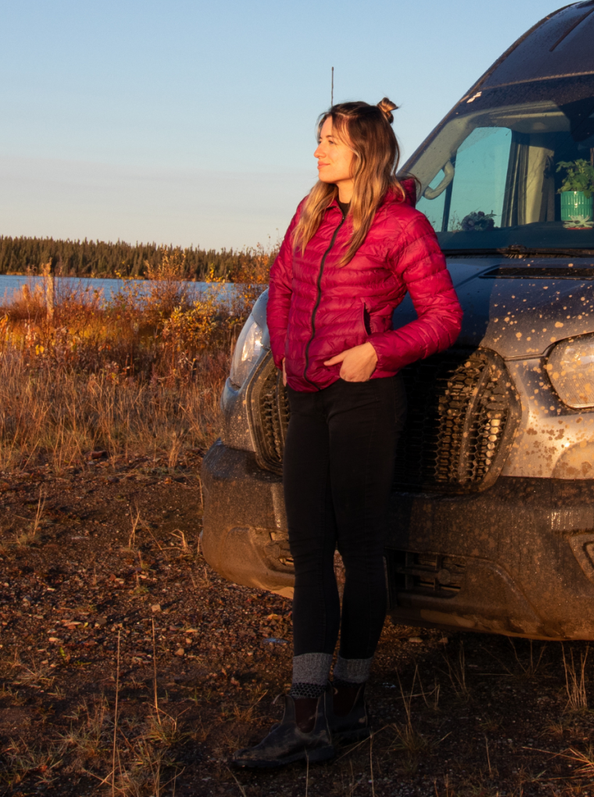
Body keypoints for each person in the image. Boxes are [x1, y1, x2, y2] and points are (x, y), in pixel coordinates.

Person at [230, 99, 461, 769]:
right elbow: (278, 285)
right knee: (309, 551)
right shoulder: (310, 214)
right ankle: (310, 714)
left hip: (365, 396)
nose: (317, 151)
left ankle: (345, 706)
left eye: (329, 141)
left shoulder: (401, 227)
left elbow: (443, 317)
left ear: (364, 150)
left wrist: (377, 353)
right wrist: (279, 347)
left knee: (361, 551)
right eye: (318, 140)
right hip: (305, 396)